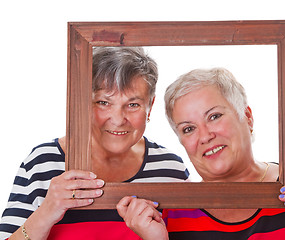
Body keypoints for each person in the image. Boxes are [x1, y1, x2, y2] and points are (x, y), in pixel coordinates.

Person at [117, 67, 285, 239]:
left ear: (248, 117)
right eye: (189, 128)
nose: (205, 136)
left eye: (214, 116)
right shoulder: (172, 216)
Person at [0, 47, 189, 240]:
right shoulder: (43, 162)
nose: (118, 119)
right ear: (84, 103)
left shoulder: (171, 169)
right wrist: (46, 213)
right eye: (103, 102)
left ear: (150, 107)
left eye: (133, 105)